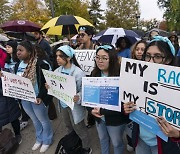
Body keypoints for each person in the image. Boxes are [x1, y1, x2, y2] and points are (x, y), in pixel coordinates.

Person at [124, 36, 180, 154]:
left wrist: (177, 134)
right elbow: (130, 102)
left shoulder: (176, 87)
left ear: (168, 59)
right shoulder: (136, 78)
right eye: (148, 56)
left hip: (162, 145)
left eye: (157, 56)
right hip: (141, 140)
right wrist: (126, 108)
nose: (150, 61)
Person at [47, 45, 92, 154]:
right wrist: (50, 87)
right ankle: (74, 144)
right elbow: (55, 86)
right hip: (63, 105)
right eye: (56, 56)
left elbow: (84, 90)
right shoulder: (57, 71)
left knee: (80, 128)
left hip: (74, 107)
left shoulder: (78, 73)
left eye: (60, 56)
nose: (57, 58)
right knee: (68, 126)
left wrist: (79, 96)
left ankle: (86, 148)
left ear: (69, 58)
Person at [88, 45, 129, 154]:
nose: (100, 61)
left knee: (117, 143)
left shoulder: (122, 75)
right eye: (97, 57)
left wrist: (102, 111)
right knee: (102, 139)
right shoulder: (94, 74)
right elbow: (89, 96)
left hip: (116, 120)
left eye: (104, 58)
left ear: (112, 59)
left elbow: (123, 103)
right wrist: (90, 110)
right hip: (99, 118)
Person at [14, 40, 53, 153]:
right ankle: (39, 138)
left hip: (37, 98)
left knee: (43, 120)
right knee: (35, 120)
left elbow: (46, 83)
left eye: (21, 50)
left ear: (30, 52)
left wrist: (41, 96)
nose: (18, 53)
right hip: (25, 98)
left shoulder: (41, 64)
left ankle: (47, 140)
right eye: (17, 50)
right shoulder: (18, 65)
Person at [77, 25, 97, 128]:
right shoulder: (78, 49)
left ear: (90, 35)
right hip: (82, 79)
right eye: (79, 35)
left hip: (93, 79)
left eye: (82, 35)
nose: (80, 37)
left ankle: (92, 120)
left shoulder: (96, 48)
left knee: (92, 102)